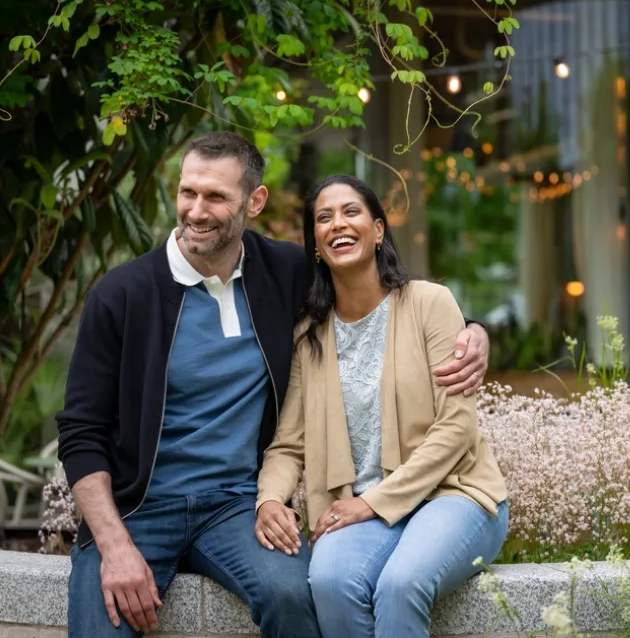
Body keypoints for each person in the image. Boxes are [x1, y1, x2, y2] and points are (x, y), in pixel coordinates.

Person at [55, 131, 491, 638]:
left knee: (294, 597)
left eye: (216, 196)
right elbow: (81, 433)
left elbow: (378, 291)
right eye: (188, 192)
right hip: (138, 509)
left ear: (254, 202)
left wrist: (472, 330)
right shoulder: (121, 295)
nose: (196, 210)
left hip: (235, 507)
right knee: (102, 624)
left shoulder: (284, 272)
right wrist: (113, 545)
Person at [255, 174, 509, 638]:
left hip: (452, 494)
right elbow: (288, 444)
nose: (337, 224)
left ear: (377, 231)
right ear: (316, 244)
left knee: (400, 584)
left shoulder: (431, 304)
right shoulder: (309, 335)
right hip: (356, 506)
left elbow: (456, 429)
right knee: (329, 582)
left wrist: (371, 503)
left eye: (351, 212)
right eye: (324, 218)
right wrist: (270, 499)